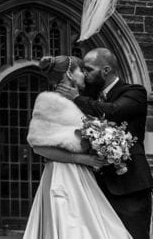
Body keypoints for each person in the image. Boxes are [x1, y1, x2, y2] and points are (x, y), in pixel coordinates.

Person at [23, 55, 132, 239]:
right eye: (81, 70)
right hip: (62, 177)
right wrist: (81, 158)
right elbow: (38, 147)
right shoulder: (48, 101)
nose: (85, 75)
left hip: (83, 175)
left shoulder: (80, 102)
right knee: (71, 228)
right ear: (69, 74)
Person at [56, 47, 153, 239]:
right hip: (95, 186)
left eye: (89, 69)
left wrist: (76, 98)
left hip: (129, 186)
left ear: (106, 71)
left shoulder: (134, 92)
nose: (85, 74)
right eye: (83, 70)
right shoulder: (90, 98)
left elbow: (113, 111)